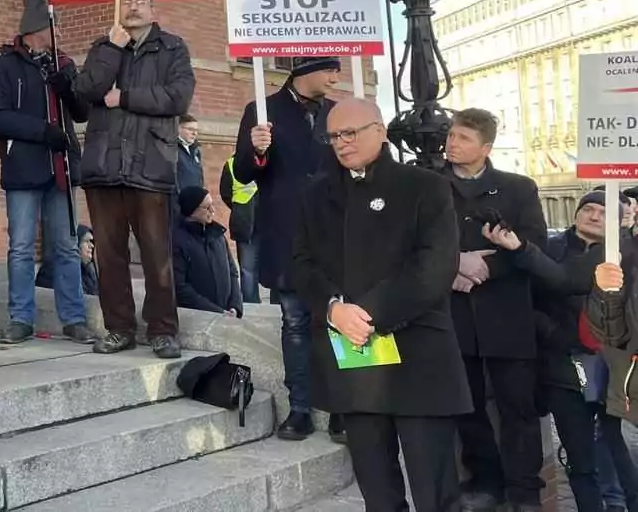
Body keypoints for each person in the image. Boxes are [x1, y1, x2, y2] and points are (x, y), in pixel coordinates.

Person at [290, 98, 470, 512]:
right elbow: (301, 264)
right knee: (377, 489)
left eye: (351, 133)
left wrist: (367, 313)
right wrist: (334, 308)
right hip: (354, 356)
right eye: (334, 135)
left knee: (436, 489)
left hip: (417, 354)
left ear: (380, 130)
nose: (341, 143)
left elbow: (435, 267)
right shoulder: (315, 195)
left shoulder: (424, 186)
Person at [486, 193, 638, 512]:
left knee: (618, 449)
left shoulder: (625, 253)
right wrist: (555, 334)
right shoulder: (547, 249)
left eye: (603, 212)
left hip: (619, 371)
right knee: (580, 459)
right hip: (562, 367)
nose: (594, 216)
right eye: (588, 209)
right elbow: (525, 301)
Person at [73, 0, 194, 359]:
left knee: (157, 256)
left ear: (153, 11)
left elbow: (178, 97)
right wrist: (112, 48)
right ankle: (119, 329)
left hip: (151, 164)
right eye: (126, 3)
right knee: (109, 257)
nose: (133, 8)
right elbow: (85, 90)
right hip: (104, 165)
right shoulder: (103, 46)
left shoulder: (173, 48)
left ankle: (162, 331)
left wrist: (124, 98)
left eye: (140, 2)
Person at [232, 56, 344, 442]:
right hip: (288, 237)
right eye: (331, 69)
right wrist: (257, 149)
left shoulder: (339, 112)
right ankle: (300, 409)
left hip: (335, 238)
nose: (336, 77)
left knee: (338, 323)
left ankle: (343, 408)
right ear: (304, 71)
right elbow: (245, 172)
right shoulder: (262, 111)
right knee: (295, 323)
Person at [443, 108, 547, 512]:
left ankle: (524, 490)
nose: (452, 143)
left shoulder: (519, 188)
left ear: (486, 147)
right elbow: (417, 240)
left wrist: (485, 266)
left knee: (517, 406)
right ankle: (485, 480)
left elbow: (534, 242)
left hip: (507, 313)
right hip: (454, 311)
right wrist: (454, 265)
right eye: (451, 135)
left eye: (463, 138)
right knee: (467, 405)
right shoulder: (431, 186)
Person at [0, 0, 94, 346]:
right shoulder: (3, 67)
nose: (55, 31)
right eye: (50, 25)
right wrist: (42, 132)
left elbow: (82, 113)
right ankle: (20, 318)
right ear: (35, 29)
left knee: (67, 246)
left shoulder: (63, 63)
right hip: (23, 168)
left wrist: (70, 91)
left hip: (60, 170)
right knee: (21, 247)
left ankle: (74, 318)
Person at [172, 187, 242, 318]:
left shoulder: (218, 236)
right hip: (198, 318)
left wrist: (235, 306)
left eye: (212, 205)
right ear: (192, 211)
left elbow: (232, 272)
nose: (213, 211)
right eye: (207, 207)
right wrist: (217, 312)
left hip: (227, 314)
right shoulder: (178, 241)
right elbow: (180, 287)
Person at [219, 156, 259, 303]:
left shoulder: (271, 159)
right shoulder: (231, 163)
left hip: (268, 223)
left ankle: (277, 307)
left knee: (275, 268)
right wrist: (239, 208)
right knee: (247, 270)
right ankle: (252, 305)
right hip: (245, 223)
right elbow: (225, 192)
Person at [176, 114, 203, 191]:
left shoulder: (196, 150)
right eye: (190, 129)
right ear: (179, 128)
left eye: (196, 130)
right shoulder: (172, 149)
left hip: (194, 200)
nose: (195, 133)